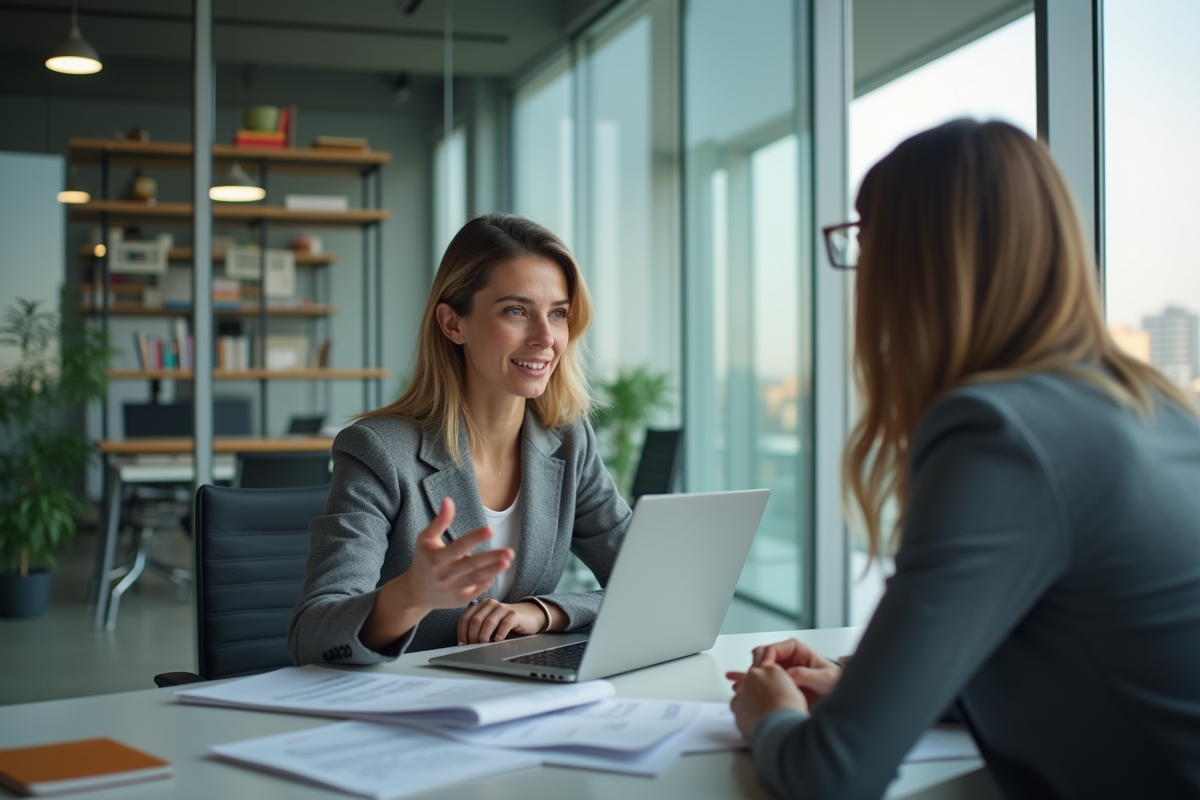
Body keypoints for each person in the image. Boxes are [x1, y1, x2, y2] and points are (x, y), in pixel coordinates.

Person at [728, 119, 1200, 799]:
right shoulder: (1153, 405)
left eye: (865, 239)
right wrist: (866, 684)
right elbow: (1085, 658)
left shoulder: (1000, 436)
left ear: (913, 262)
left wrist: (768, 717)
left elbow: (832, 776)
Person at [289, 214, 631, 665]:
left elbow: (649, 586)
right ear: (452, 324)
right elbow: (311, 635)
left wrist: (546, 612)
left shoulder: (567, 441)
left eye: (559, 313)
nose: (546, 338)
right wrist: (408, 596)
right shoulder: (378, 451)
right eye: (516, 311)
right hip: (407, 708)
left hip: (518, 701)